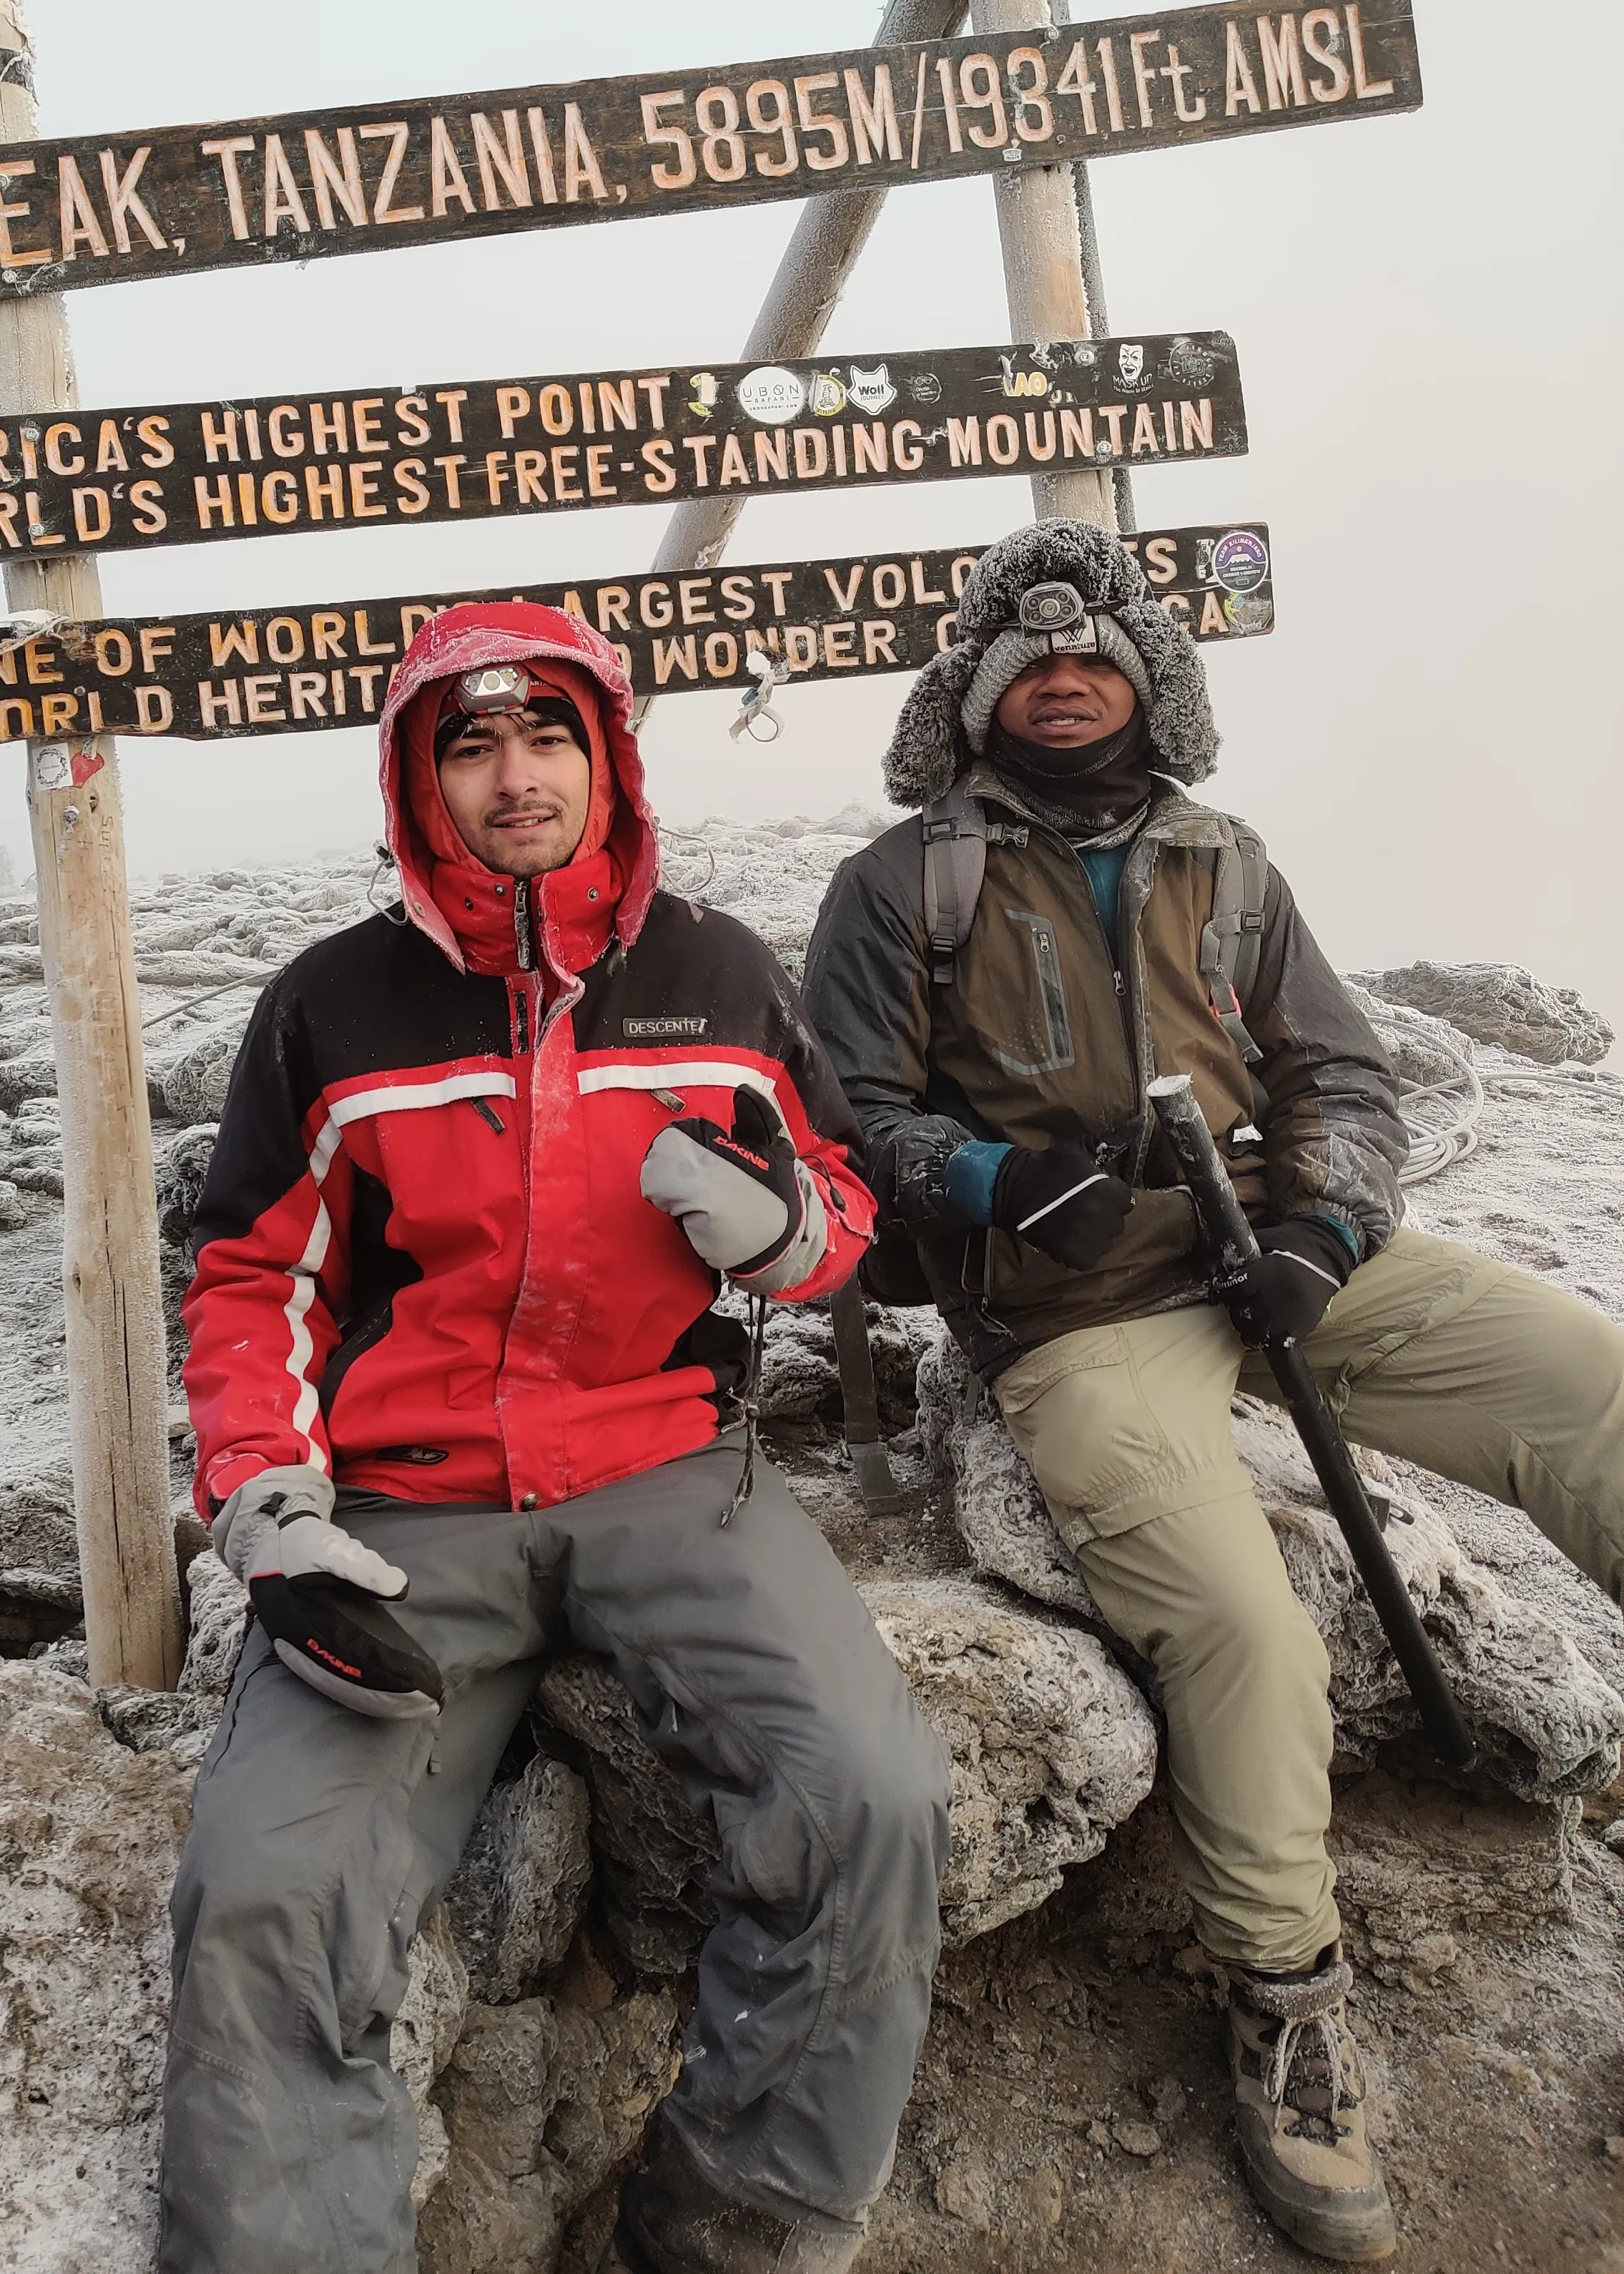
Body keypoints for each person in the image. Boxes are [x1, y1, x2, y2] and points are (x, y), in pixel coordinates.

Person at [802, 516, 1624, 2266]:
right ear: (977, 689)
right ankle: (1288, 1990)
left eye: (1096, 649)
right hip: (1077, 1310)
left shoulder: (1225, 857)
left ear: (1147, 677)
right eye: (1027, 658)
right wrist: (992, 1183)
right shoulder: (902, 882)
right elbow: (847, 1106)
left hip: (1273, 1259)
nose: (1064, 672)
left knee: (1588, 1378)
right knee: (1249, 1620)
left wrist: (1326, 1224)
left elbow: (1337, 1064)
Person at [161, 600, 951, 2274]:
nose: (513, 776)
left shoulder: (720, 974)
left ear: (607, 757)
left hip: (670, 1467)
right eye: (469, 743)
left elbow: (843, 1220)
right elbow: (253, 1279)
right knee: (264, 1894)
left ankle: (739, 2222)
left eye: (546, 737)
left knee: (869, 1793)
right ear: (416, 777)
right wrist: (266, 1498)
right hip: (404, 1506)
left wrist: (775, 1226)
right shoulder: (332, 1007)